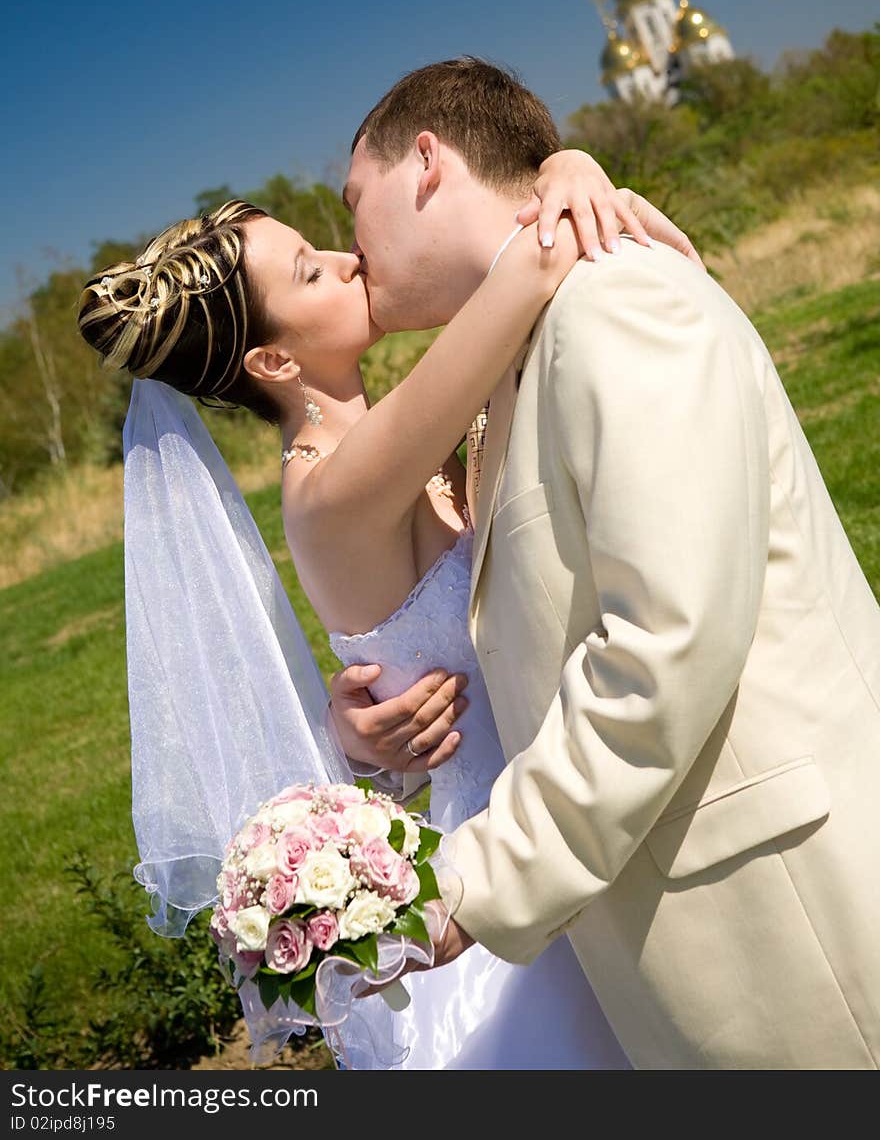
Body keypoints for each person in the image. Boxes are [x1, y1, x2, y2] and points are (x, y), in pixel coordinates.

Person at [78, 137, 698, 1070]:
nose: (346, 259)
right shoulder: (334, 488)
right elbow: (532, 264)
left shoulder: (383, 441)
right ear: (276, 363)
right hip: (513, 876)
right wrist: (566, 169)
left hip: (575, 808)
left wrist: (359, 747)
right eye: (308, 271)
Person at [333, 57, 880, 1069]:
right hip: (674, 941)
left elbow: (663, 642)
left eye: (350, 202)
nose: (347, 246)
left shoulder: (615, 299)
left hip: (795, 928)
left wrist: (472, 889)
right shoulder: (511, 354)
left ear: (425, 161)